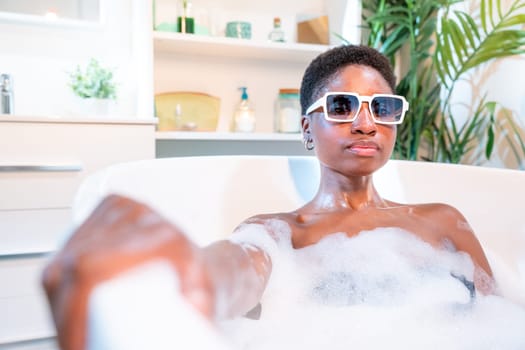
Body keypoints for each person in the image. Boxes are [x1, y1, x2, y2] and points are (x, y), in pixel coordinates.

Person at [42, 45, 495, 350]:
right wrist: (183, 275)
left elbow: (499, 317)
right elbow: (231, 272)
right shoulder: (279, 233)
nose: (365, 123)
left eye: (382, 107)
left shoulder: (443, 220)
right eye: (340, 106)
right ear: (305, 129)